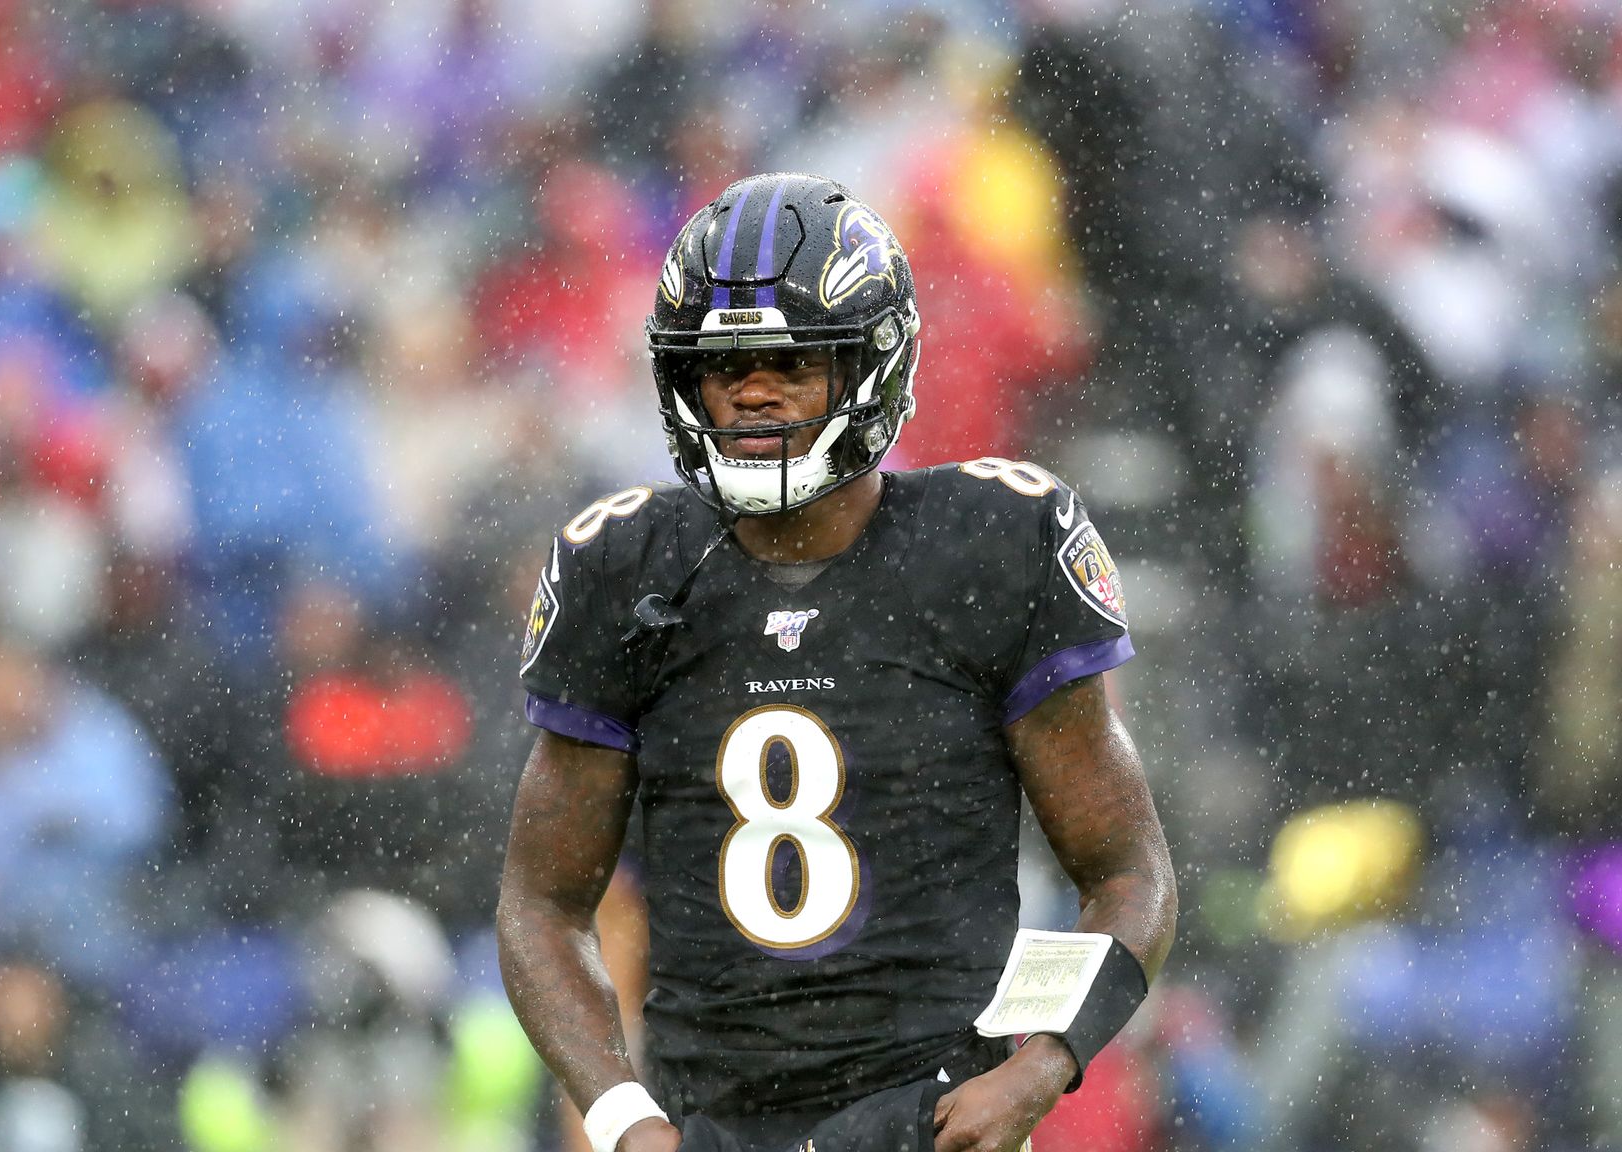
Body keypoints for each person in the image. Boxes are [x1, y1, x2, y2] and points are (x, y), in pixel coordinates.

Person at [496, 173, 1177, 1152]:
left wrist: (1038, 1065)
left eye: (788, 360)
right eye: (721, 367)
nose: (752, 391)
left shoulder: (990, 543)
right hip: (708, 1122)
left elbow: (1124, 870)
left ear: (871, 360)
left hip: (933, 1112)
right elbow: (541, 900)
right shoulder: (625, 568)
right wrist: (621, 1115)